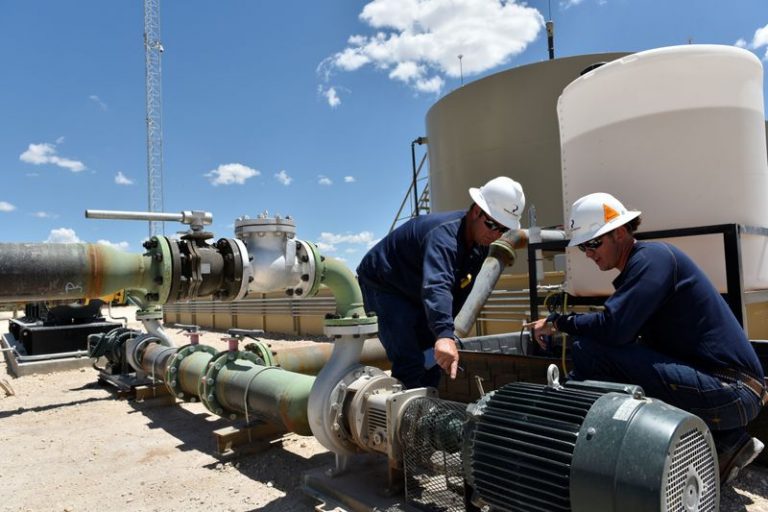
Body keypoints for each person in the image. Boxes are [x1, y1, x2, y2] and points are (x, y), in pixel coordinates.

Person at [527, 192, 766, 484]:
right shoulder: (646, 266)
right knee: (618, 351)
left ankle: (574, 445)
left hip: (730, 389)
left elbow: (613, 328)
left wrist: (558, 322)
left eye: (593, 243)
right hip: (728, 388)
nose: (588, 253)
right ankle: (727, 442)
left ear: (619, 232)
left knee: (592, 350)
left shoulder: (652, 259)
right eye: (583, 247)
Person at [357, 176, 525, 389]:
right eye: (492, 224)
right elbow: (438, 285)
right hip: (385, 285)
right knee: (410, 360)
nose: (495, 234)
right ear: (476, 211)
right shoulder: (443, 236)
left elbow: (461, 288)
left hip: (415, 288)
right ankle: (403, 415)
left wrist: (446, 334)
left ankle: (428, 407)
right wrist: (444, 334)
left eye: (503, 230)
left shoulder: (480, 246)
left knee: (436, 359)